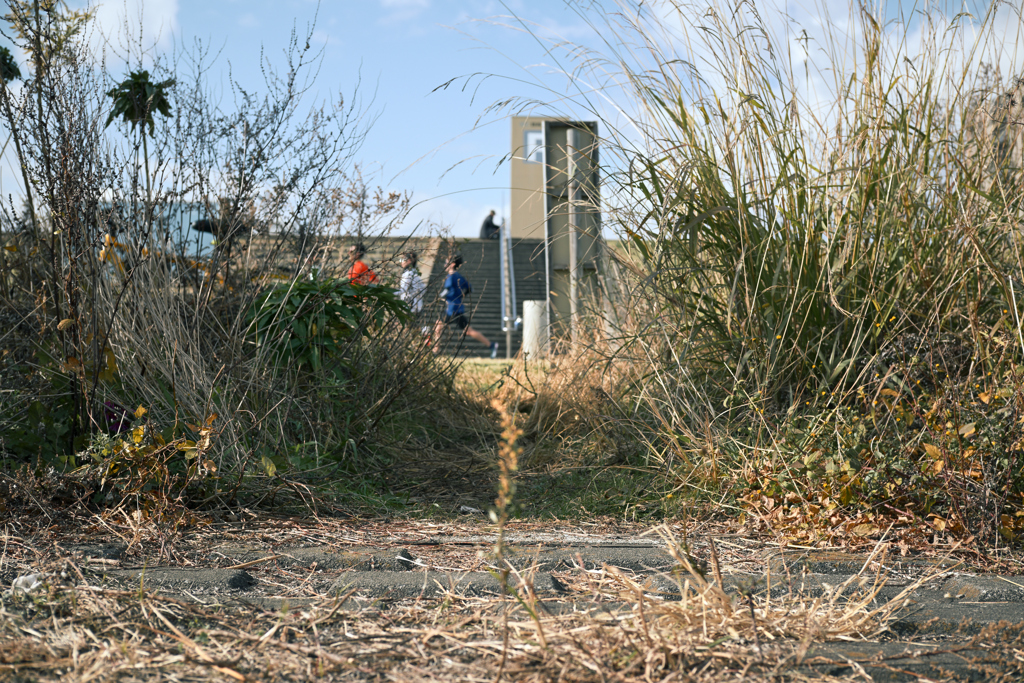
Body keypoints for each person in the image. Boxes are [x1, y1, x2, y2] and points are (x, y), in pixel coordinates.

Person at [433, 254, 499, 358]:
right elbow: (470, 288)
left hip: (453, 310)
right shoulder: (459, 276)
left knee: (466, 331)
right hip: (454, 308)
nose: (445, 264)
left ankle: (491, 345)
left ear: (453, 264)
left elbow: (447, 290)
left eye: (446, 262)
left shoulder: (451, 276)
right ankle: (435, 351)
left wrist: (438, 297)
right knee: (439, 326)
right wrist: (460, 296)